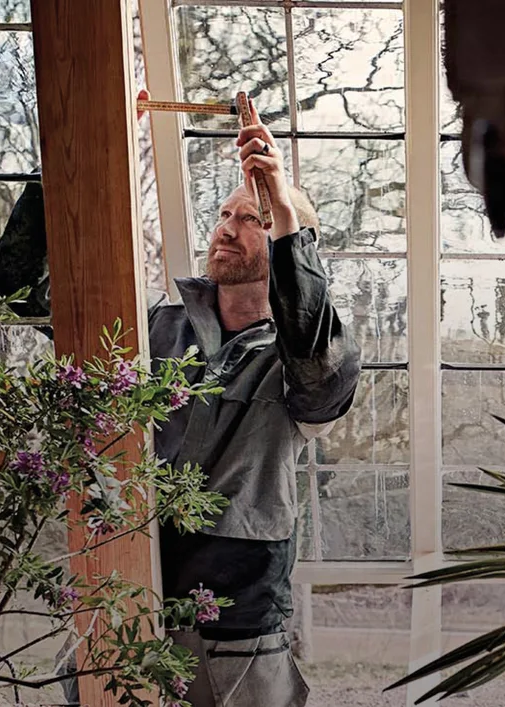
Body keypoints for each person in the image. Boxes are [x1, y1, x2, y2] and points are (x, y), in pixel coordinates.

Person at [149, 118, 362, 707]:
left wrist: (284, 208)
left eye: (253, 219)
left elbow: (317, 374)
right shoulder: (157, 326)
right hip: (128, 571)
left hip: (239, 596)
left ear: (291, 245)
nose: (227, 229)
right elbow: (44, 296)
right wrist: (71, 162)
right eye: (225, 214)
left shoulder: (311, 352)